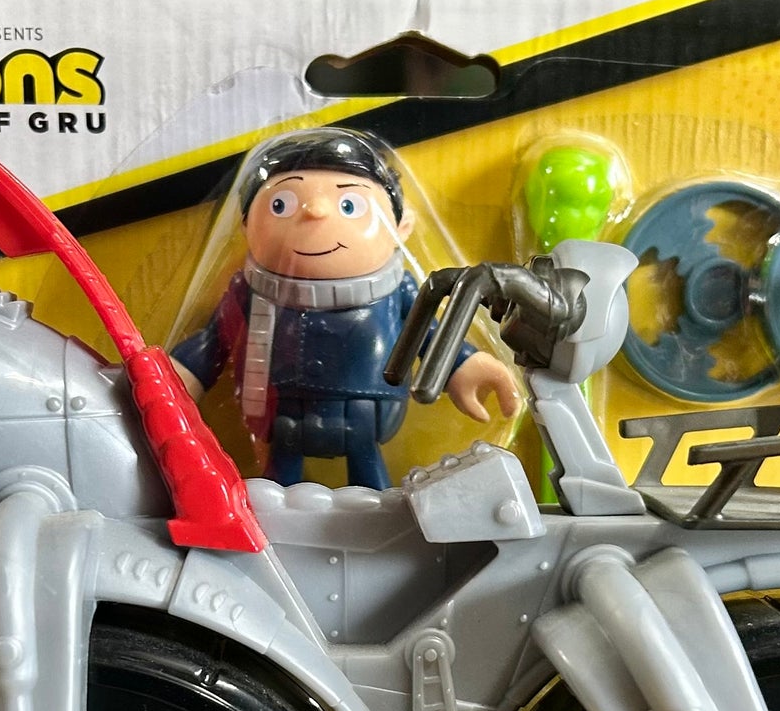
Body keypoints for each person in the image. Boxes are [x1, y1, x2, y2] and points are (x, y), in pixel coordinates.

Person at [171, 127, 521, 490]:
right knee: (276, 479)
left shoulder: (397, 292)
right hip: (278, 409)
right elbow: (216, 340)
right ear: (246, 225)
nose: (316, 211)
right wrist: (177, 378)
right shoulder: (249, 293)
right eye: (281, 205)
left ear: (401, 227)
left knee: (368, 472)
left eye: (349, 205)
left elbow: (428, 333)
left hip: (368, 409)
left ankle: (377, 508)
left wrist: (463, 364)